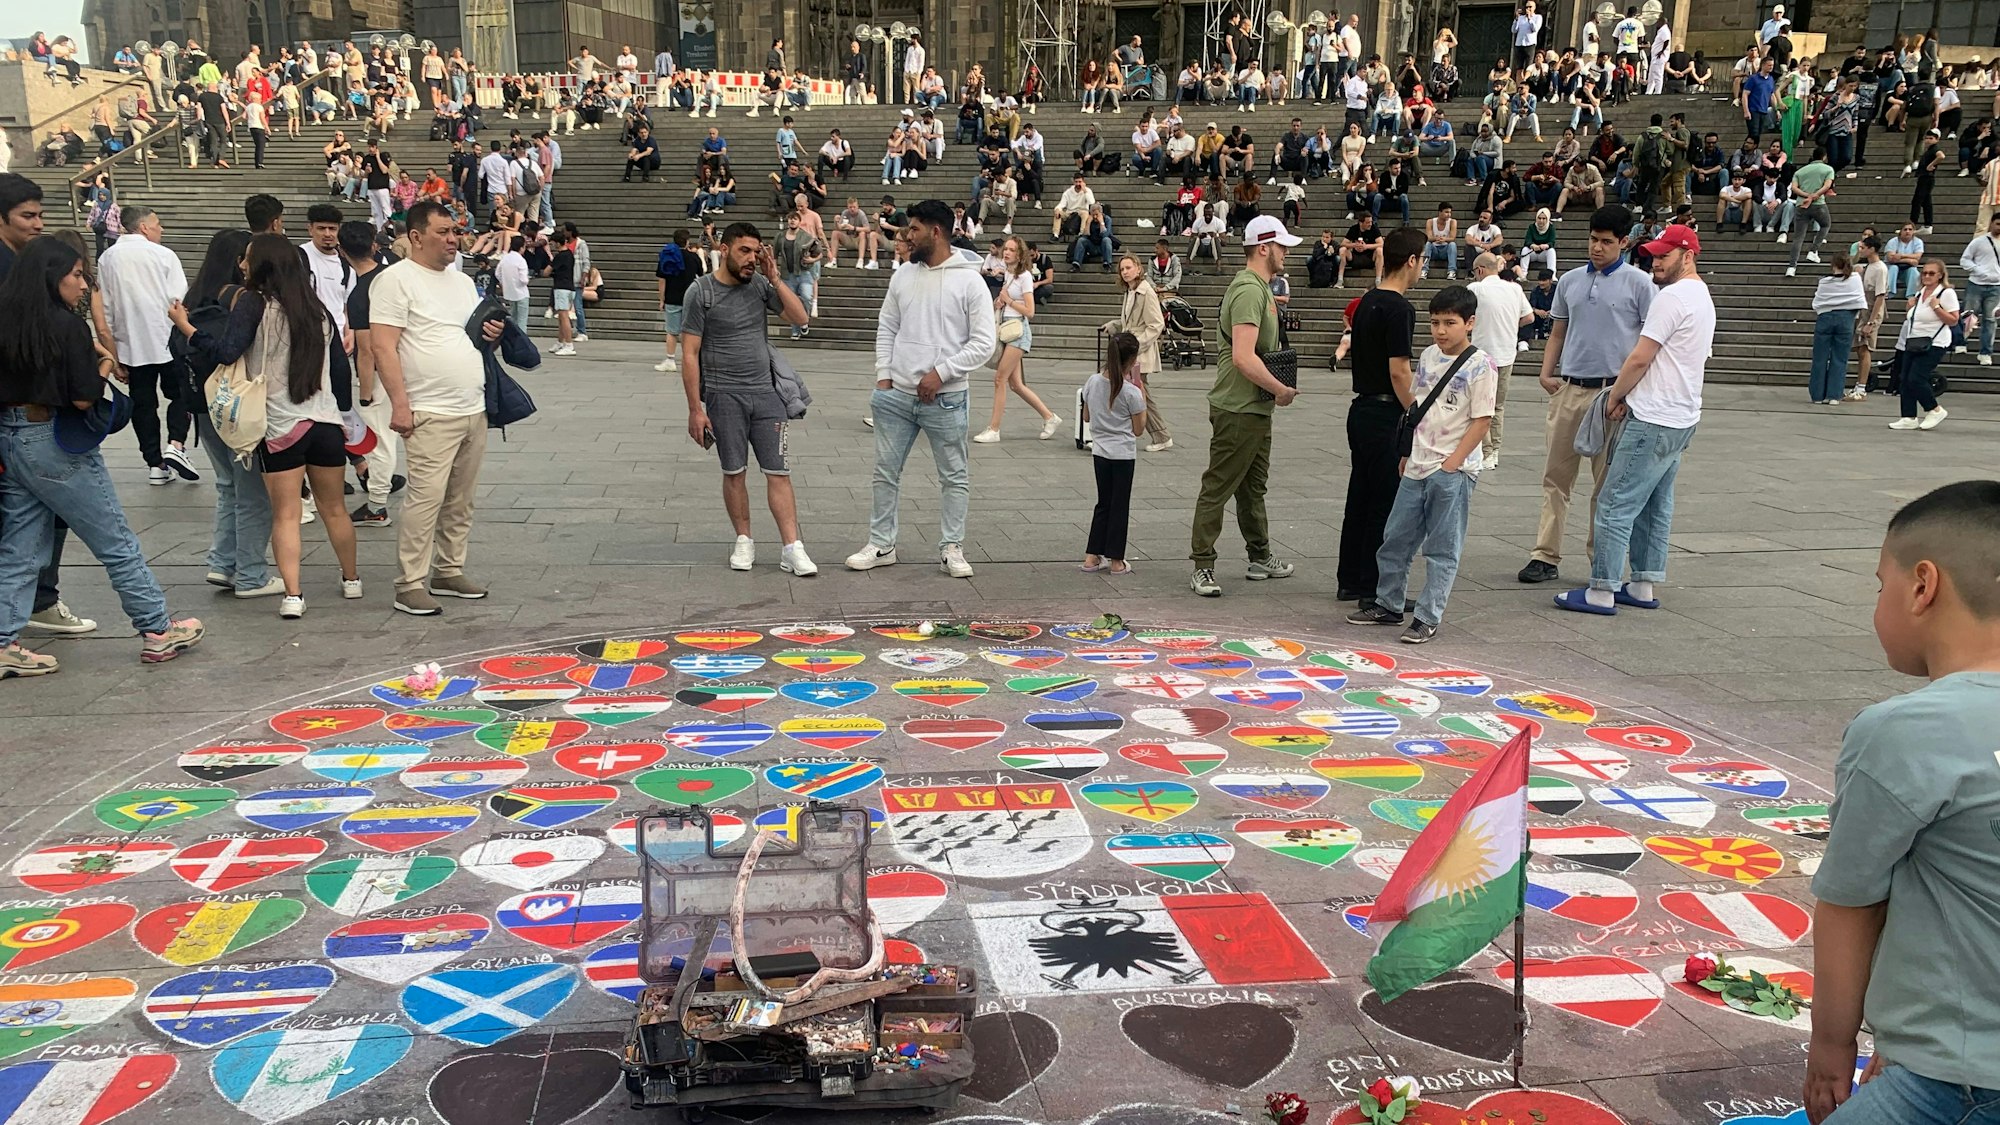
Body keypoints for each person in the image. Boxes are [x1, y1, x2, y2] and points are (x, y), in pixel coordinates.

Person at [1800, 481, 2000, 1125]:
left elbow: (1852, 902)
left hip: (1960, 1083)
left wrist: (1832, 1051)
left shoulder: (1909, 729)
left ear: (1922, 586)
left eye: (1877, 582)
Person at [0, 237, 203, 675]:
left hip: (12, 436)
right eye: (76, 275)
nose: (83, 284)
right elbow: (82, 398)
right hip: (56, 442)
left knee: (20, 546)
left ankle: (3, 641)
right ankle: (156, 628)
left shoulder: (7, 319)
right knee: (114, 539)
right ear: (53, 277)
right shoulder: (66, 326)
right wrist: (106, 362)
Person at [186, 233, 361, 618]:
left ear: (262, 264)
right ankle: (351, 580)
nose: (243, 264)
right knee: (335, 509)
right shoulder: (317, 310)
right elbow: (337, 369)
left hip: (282, 426)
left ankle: (294, 596)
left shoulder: (255, 303)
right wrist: (349, 417)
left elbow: (228, 351)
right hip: (326, 422)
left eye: (248, 258)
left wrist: (187, 328)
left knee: (286, 515)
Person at [1554, 224, 1713, 615]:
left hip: (1653, 414)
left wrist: (1617, 395)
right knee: (1656, 504)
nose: (1655, 262)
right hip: (1683, 415)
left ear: (1687, 255)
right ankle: (1643, 583)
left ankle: (1601, 589)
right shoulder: (1702, 295)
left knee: (1614, 501)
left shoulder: (1671, 297)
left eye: (1664, 256)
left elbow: (1641, 356)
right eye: (1654, 255)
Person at [1346, 284, 1499, 643]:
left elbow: (1482, 419)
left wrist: (1454, 463)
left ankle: (1428, 616)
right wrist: (1406, 453)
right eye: (1434, 323)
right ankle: (1389, 603)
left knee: (1442, 548)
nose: (1441, 331)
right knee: (1395, 537)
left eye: (1450, 323)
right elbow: (1417, 408)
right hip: (1417, 461)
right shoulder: (1429, 355)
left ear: (1470, 323)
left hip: (1452, 469)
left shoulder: (1481, 365)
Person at [852, 200, 995, 577]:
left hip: (946, 398)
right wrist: (884, 376)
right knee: (885, 472)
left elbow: (984, 342)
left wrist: (941, 373)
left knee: (953, 475)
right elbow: (887, 327)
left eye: (914, 228)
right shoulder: (902, 275)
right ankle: (881, 543)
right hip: (895, 394)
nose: (906, 235)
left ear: (936, 232)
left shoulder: (970, 280)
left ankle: (952, 546)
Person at [369, 200, 498, 617]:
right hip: (428, 408)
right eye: (443, 232)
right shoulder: (395, 281)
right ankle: (409, 583)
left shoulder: (461, 282)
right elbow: (382, 345)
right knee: (425, 499)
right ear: (416, 236)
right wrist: (400, 405)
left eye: (455, 231)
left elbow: (468, 336)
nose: (452, 239)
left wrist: (491, 332)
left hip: (471, 407)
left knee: (461, 498)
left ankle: (449, 569)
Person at [1520, 205, 1656, 585]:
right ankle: (1545, 554)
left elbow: (1649, 344)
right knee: (1556, 477)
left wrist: (1629, 393)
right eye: (1593, 240)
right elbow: (1558, 332)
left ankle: (1601, 558)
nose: (1597, 248)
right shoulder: (1571, 280)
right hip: (1570, 386)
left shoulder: (1640, 285)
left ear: (1624, 243)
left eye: (1607, 242)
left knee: (1607, 483)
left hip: (1613, 393)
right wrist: (1547, 372)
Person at [680, 221, 815, 574]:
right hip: (724, 397)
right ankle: (744, 540)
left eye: (756, 252)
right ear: (723, 250)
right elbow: (690, 354)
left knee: (779, 471)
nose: (752, 258)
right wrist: (696, 409)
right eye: (744, 251)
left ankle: (792, 547)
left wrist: (775, 279)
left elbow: (800, 318)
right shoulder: (701, 292)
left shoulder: (759, 285)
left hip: (767, 394)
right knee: (734, 471)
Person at [1189, 215, 1301, 598]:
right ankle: (1203, 564)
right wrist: (1280, 390)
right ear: (1263, 247)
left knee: (1252, 488)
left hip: (1253, 407)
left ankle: (1260, 554)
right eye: (1282, 246)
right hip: (1238, 406)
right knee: (1219, 486)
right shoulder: (1250, 290)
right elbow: (1242, 356)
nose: (1287, 252)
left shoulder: (1261, 289)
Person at [173, 227, 278, 595]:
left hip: (205, 406)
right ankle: (250, 573)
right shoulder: (240, 298)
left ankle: (222, 563)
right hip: (237, 407)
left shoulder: (195, 296)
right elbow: (231, 349)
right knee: (252, 494)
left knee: (227, 487)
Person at [97, 205, 199, 487]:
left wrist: (113, 355)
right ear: (143, 227)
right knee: (180, 394)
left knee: (143, 404)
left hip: (130, 343)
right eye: (157, 223)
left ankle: (155, 463)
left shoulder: (108, 258)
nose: (161, 228)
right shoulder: (163, 255)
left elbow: (106, 309)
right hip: (167, 339)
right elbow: (179, 299)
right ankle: (176, 443)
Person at [974, 235, 1058, 442]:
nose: (1007, 252)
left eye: (1011, 250)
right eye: (1006, 249)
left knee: (999, 379)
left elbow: (1030, 311)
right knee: (1016, 385)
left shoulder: (1024, 277)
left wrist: (1009, 300)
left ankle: (994, 429)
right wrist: (999, 303)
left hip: (1018, 332)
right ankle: (1050, 417)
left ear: (1020, 254)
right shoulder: (1009, 275)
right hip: (1009, 330)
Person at [1080, 330, 1149, 575]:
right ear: (1131, 361)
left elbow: (1087, 416)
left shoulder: (1092, 382)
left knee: (1103, 503)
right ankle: (1117, 560)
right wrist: (1141, 391)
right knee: (1120, 505)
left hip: (1100, 452)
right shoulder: (1131, 392)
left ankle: (1092, 555)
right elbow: (1139, 429)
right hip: (1123, 455)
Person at [1467, 253, 1535, 467]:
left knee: (1478, 404)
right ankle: (1494, 451)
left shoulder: (1475, 289)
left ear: (1479, 270)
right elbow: (1530, 317)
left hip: (1482, 353)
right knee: (1498, 406)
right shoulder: (1515, 289)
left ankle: (1484, 450)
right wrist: (1509, 326)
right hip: (1506, 353)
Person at [1103, 252, 1171, 451]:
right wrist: (1112, 325)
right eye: (1122, 269)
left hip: (1138, 352)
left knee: (1141, 394)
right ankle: (1152, 433)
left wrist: (1135, 344)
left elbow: (1156, 325)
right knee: (1137, 392)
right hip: (1132, 350)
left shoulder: (1146, 292)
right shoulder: (1131, 291)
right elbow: (1128, 322)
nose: (1125, 272)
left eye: (1128, 268)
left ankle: (1161, 435)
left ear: (1138, 269)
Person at [1887, 259, 1958, 432]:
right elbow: (1914, 318)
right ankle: (1908, 417)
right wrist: (1909, 307)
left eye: (1931, 273)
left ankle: (1934, 409)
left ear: (1940, 275)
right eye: (1924, 273)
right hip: (1914, 341)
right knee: (1904, 379)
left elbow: (1954, 320)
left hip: (1935, 342)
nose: (1926, 276)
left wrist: (1937, 308)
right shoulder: (1920, 293)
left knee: (1916, 378)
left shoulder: (1946, 293)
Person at [1807, 254, 1866, 405]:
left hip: (1825, 318)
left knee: (1820, 358)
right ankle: (1834, 394)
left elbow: (1817, 302)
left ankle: (1817, 395)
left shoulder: (1824, 282)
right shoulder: (1855, 279)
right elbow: (1859, 300)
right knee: (1840, 358)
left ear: (1833, 265)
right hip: (1846, 318)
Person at [654, 229, 703, 372]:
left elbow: (662, 280)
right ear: (687, 241)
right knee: (690, 331)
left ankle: (670, 359)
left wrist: (661, 299)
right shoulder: (693, 257)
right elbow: (700, 275)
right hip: (691, 299)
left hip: (672, 298)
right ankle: (691, 359)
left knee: (672, 331)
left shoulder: (667, 256)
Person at [1849, 236, 1889, 400]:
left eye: (1863, 248)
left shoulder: (1880, 268)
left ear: (1872, 249)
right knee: (1860, 348)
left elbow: (1880, 296)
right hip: (1864, 306)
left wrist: (1871, 322)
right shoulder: (1868, 267)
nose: (1861, 250)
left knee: (1865, 348)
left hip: (1872, 308)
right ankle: (1859, 384)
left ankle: (1861, 388)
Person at [1959, 214, 2000, 367]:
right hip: (1976, 283)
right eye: (1997, 224)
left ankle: (1985, 352)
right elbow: (1965, 259)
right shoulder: (1979, 242)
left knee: (1990, 320)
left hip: (1996, 286)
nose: (1999, 227)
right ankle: (1961, 341)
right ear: (1991, 224)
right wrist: (1977, 270)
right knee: (1969, 315)